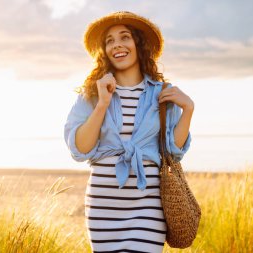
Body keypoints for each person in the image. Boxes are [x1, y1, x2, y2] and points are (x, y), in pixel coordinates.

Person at [64, 11, 194, 252]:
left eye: (124, 37)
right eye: (109, 41)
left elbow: (172, 151)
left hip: (147, 207)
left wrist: (188, 110)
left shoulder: (162, 93)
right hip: (103, 209)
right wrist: (103, 102)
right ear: (104, 51)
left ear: (138, 44)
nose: (117, 45)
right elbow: (80, 149)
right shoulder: (91, 95)